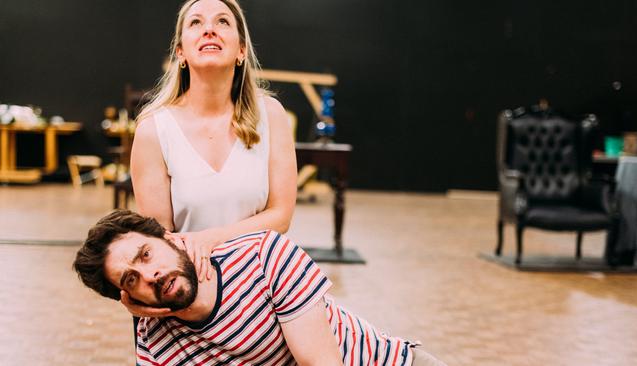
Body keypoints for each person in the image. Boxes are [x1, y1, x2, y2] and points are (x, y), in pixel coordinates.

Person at [74, 210, 446, 366]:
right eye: (131, 279)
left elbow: (320, 364)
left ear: (170, 238)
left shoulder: (263, 255)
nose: (150, 275)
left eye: (146, 254)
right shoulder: (157, 347)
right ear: (127, 298)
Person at [128, 0, 297, 317]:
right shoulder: (154, 129)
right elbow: (161, 238)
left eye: (222, 21)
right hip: (191, 295)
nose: (209, 29)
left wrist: (208, 239)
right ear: (180, 52)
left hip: (261, 288)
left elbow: (281, 216)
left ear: (241, 51)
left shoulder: (271, 115)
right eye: (195, 23)